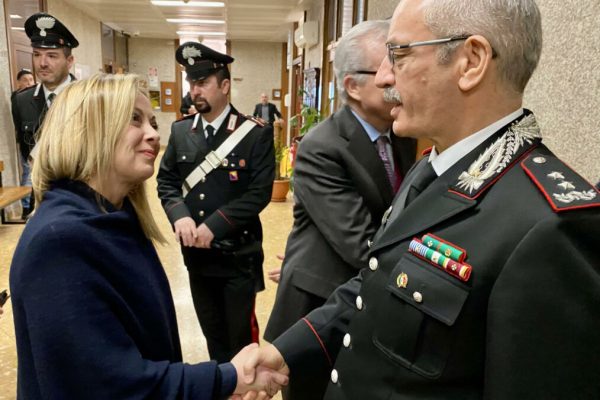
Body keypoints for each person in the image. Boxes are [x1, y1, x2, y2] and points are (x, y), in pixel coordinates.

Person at [244, 0, 600, 398]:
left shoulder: (551, 225)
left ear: (471, 61)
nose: (382, 77)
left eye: (399, 54)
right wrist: (287, 351)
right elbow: (377, 278)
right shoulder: (435, 165)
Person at [9, 73, 286, 400]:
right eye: (134, 120)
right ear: (88, 130)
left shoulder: (112, 217)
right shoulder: (60, 242)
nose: (154, 134)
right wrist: (225, 379)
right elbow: (110, 384)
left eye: (153, 122)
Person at [263, 20, 416, 400]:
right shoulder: (323, 146)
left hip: (363, 294)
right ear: (352, 86)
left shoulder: (402, 135)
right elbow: (361, 244)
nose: (396, 79)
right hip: (321, 304)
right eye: (387, 68)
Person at [157, 42, 275, 364]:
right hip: (197, 257)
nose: (195, 90)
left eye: (203, 82)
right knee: (213, 335)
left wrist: (215, 225)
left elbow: (260, 192)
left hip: (238, 254)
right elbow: (166, 181)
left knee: (241, 340)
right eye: (192, 83)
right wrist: (179, 216)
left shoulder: (255, 134)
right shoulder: (181, 131)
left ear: (224, 86)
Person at [11, 13, 77, 219]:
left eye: (52, 55)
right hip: (40, 203)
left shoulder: (90, 98)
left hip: (81, 202)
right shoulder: (22, 101)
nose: (42, 63)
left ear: (70, 60)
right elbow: (26, 149)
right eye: (37, 54)